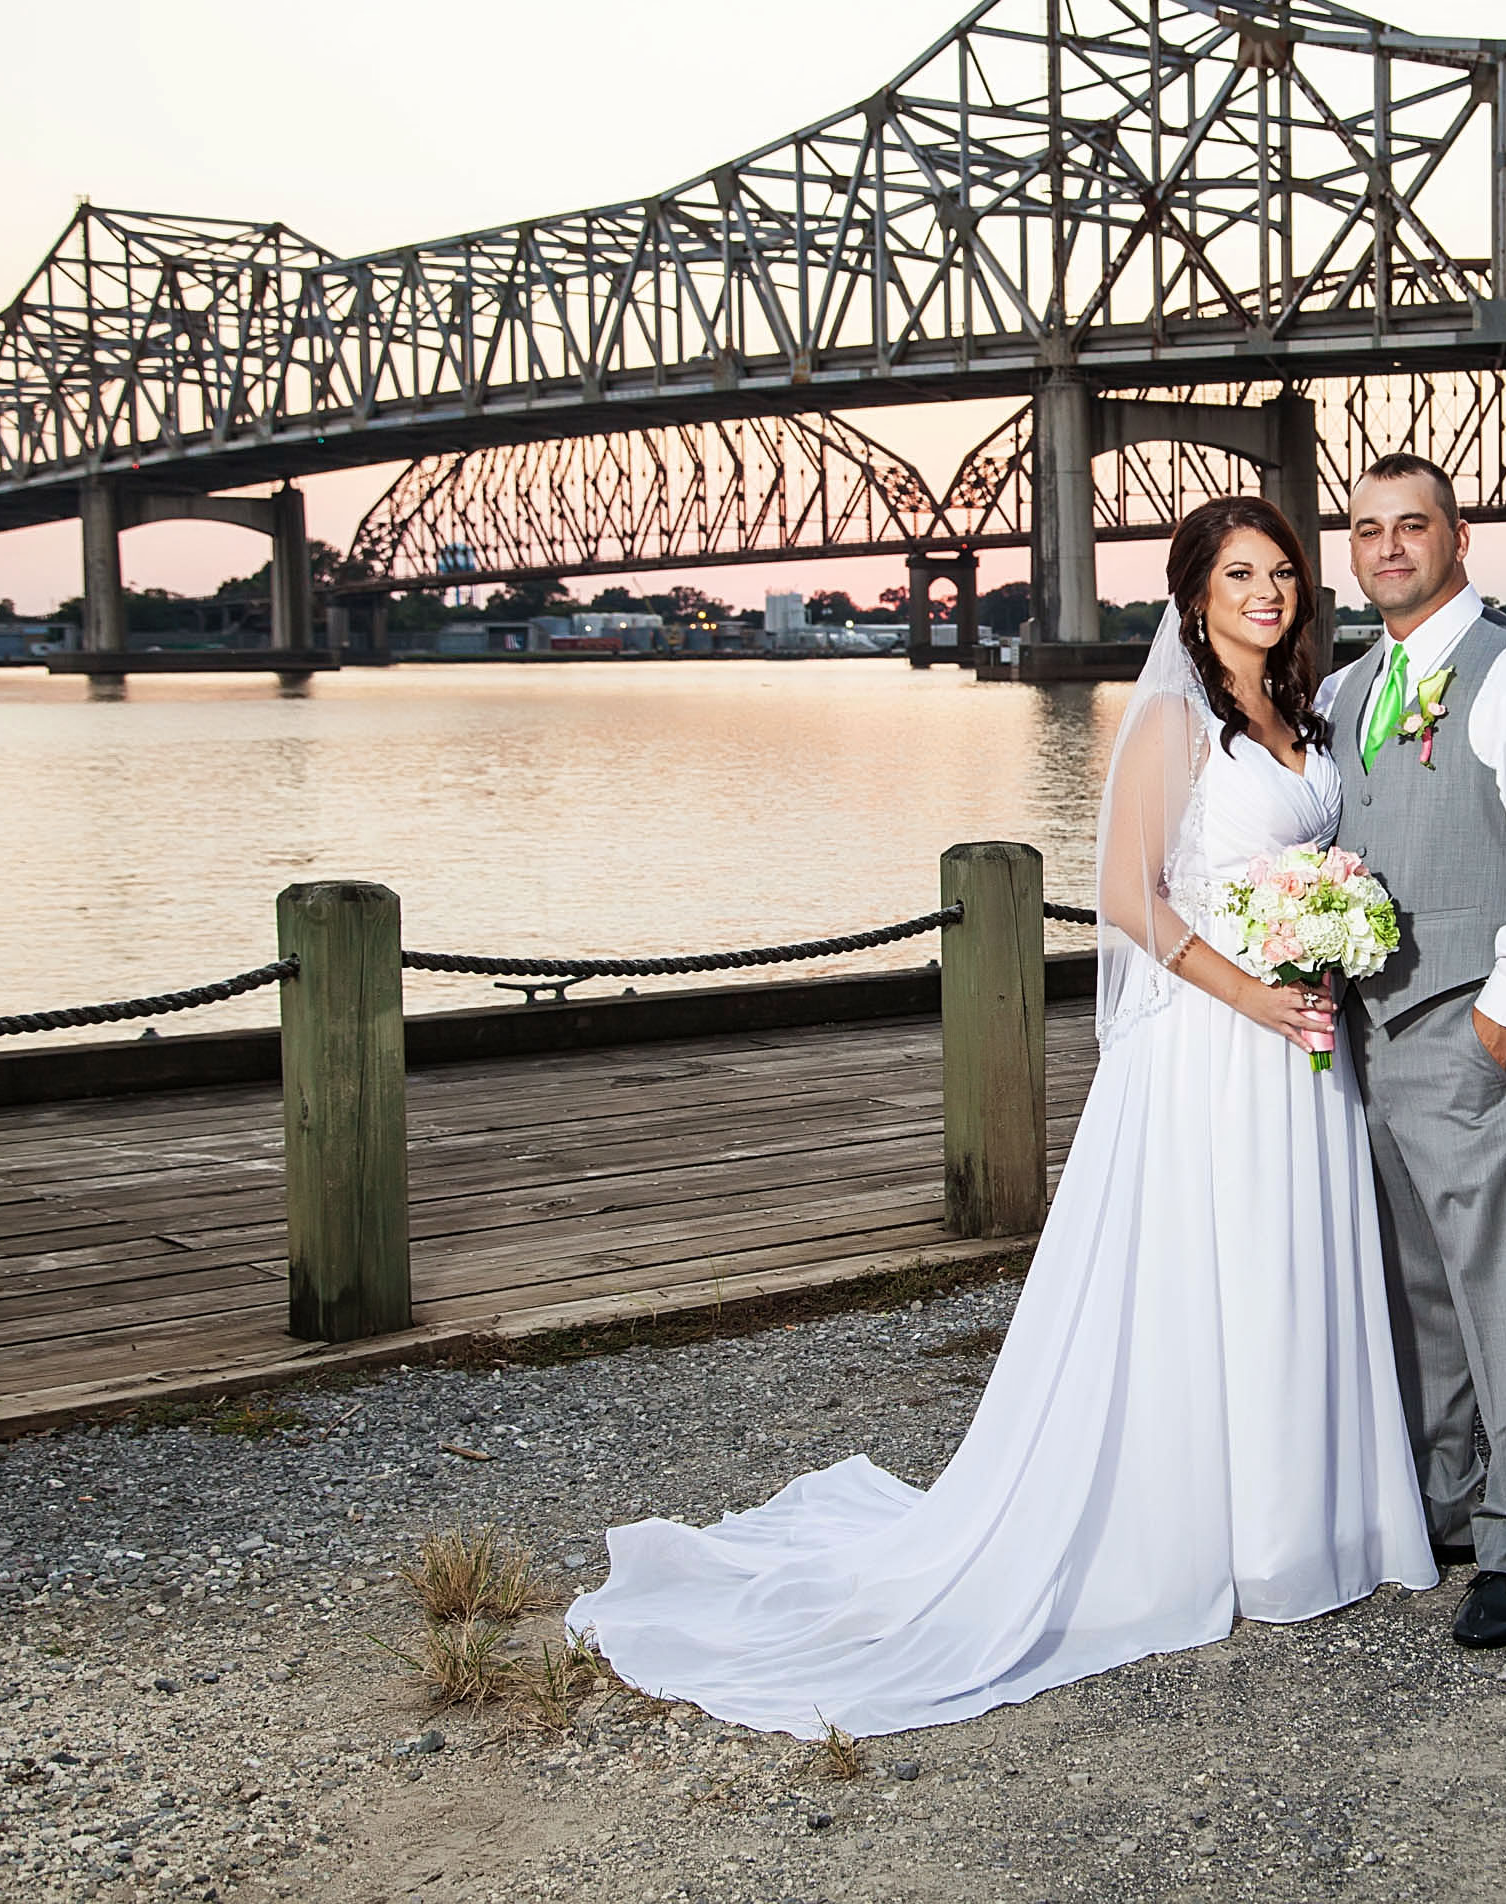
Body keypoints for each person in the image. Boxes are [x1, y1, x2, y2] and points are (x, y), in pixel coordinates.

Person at [564, 496, 1436, 1737]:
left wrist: (1329, 944)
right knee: (1213, 1272)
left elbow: (1302, 866)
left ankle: (1305, 1524)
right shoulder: (1175, 721)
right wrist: (1254, 992)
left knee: (1290, 1266)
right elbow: (1130, 897)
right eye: (1241, 572)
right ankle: (1210, 1532)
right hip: (1211, 1045)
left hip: (1301, 1041)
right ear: (1195, 593)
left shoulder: (1301, 715)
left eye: (1283, 572)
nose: (1268, 591)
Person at [1322, 452, 1506, 1652]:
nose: (1389, 546)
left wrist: (1501, 1016)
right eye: (1368, 529)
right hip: (1367, 1026)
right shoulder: (1350, 688)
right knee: (1414, 1285)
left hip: (1469, 1021)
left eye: (1413, 524)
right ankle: (1445, 1500)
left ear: (1459, 536)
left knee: (1501, 1288)